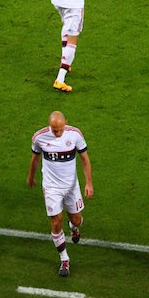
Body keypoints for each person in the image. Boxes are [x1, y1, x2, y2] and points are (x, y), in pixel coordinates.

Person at [27, 111, 94, 276]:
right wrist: (31, 176)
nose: (57, 133)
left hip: (71, 186)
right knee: (56, 222)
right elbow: (35, 158)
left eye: (60, 129)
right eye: (54, 130)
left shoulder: (75, 135)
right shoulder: (39, 137)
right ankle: (64, 259)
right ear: (50, 126)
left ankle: (74, 227)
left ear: (66, 123)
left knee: (76, 219)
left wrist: (89, 183)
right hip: (51, 188)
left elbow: (85, 158)